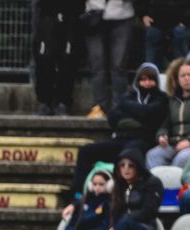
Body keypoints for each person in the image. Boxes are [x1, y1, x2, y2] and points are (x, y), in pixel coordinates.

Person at [68, 62, 167, 197]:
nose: (147, 83)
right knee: (86, 151)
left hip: (142, 141)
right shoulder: (129, 96)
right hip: (120, 139)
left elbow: (150, 114)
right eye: (143, 79)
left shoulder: (161, 98)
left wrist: (129, 112)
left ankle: (122, 196)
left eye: (150, 79)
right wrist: (139, 116)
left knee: (128, 156)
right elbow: (113, 117)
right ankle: (79, 193)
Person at [102, 146, 162, 230]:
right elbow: (114, 211)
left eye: (131, 165)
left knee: (125, 222)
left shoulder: (152, 182)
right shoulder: (119, 185)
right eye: (122, 165)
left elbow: (149, 212)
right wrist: (112, 226)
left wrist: (123, 221)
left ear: (138, 166)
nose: (126, 169)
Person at [146, 57, 190, 168]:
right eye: (183, 75)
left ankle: (178, 186)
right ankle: (158, 185)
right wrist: (162, 135)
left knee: (181, 159)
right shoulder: (172, 100)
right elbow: (165, 123)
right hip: (173, 143)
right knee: (153, 155)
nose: (186, 78)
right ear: (177, 80)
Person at [84, 0, 138, 118]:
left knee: (119, 66)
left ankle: (119, 107)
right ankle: (98, 106)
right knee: (97, 65)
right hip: (94, 15)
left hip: (123, 16)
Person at [33, 0, 81, 116]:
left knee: (68, 59)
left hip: (71, 16)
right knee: (45, 59)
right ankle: (44, 101)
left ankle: (63, 102)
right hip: (48, 15)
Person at [140, 2, 190, 69]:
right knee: (152, 67)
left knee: (181, 65)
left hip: (181, 25)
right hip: (154, 22)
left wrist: (187, 20)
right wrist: (143, 15)